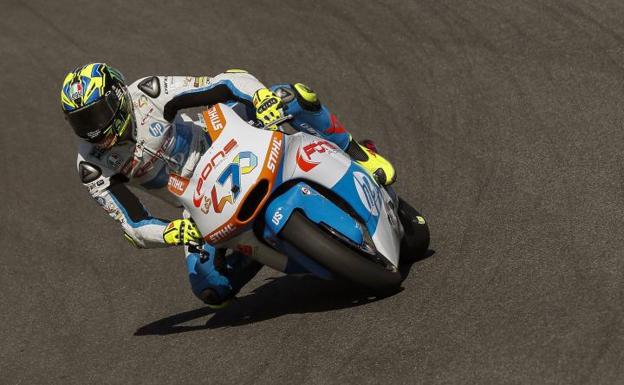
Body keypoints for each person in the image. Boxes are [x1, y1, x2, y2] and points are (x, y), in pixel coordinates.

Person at [61, 63, 396, 308]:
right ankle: (260, 245)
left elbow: (225, 82)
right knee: (209, 287)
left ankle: (358, 153)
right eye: (81, 122)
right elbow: (133, 227)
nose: (93, 130)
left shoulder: (147, 92)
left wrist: (261, 98)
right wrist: (174, 232)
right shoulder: (91, 165)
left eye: (96, 115)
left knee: (290, 95)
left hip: (230, 142)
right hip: (199, 204)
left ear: (117, 97)